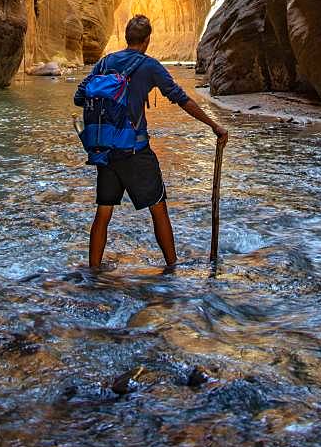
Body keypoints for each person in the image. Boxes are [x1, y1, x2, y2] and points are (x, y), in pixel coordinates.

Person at [73, 14, 228, 269]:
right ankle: (172, 267)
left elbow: (80, 97)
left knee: (103, 213)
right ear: (147, 40)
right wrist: (214, 125)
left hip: (105, 151)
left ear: (126, 37)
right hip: (135, 152)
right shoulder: (149, 66)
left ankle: (94, 272)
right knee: (158, 208)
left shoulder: (104, 63)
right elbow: (180, 99)